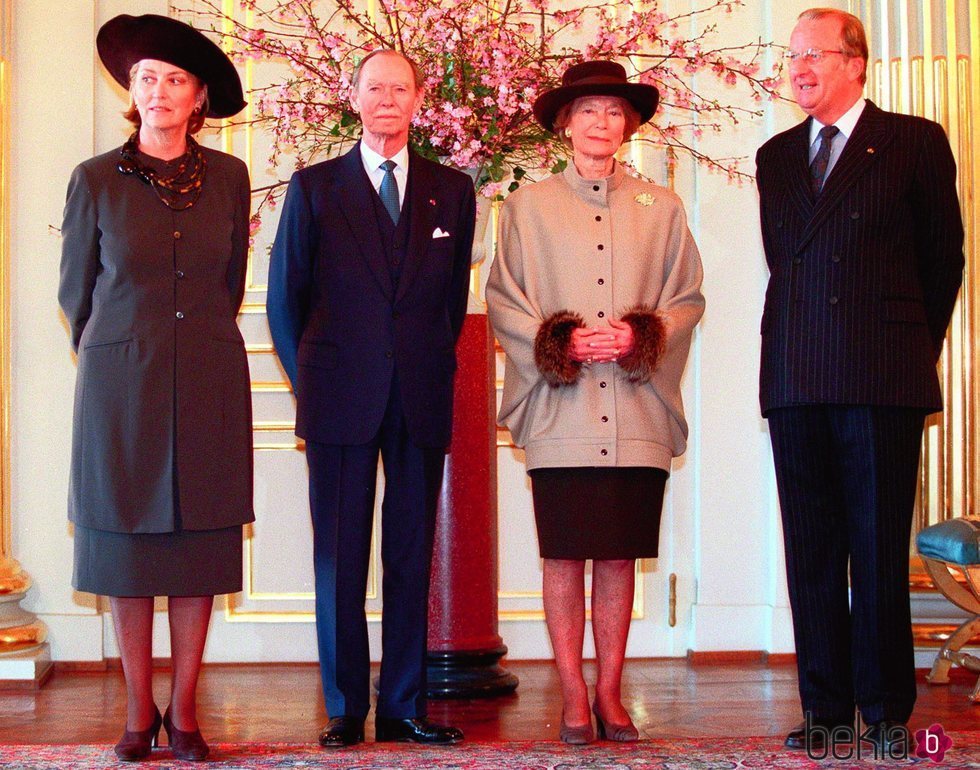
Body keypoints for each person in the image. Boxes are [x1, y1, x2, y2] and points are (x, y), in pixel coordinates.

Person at [756, 8, 964, 754]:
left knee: (876, 551)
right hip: (796, 374)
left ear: (855, 62)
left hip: (881, 374)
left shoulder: (912, 140)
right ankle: (824, 712)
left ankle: (884, 716)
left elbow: (945, 259)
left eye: (814, 54)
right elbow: (787, 264)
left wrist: (903, 343)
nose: (800, 68)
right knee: (810, 553)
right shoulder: (775, 156)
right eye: (793, 56)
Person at [486, 60, 704, 744]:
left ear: (630, 125)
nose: (600, 123)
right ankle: (573, 693)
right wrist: (559, 339)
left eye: (613, 112)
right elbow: (503, 298)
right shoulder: (525, 206)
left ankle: (611, 691)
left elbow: (687, 299)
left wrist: (639, 333)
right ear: (563, 124)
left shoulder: (662, 208)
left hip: (637, 411)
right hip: (562, 412)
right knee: (565, 556)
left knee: (615, 557)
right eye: (587, 111)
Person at [267, 49, 475, 748]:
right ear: (354, 98)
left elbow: (449, 307)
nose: (387, 98)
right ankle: (344, 709)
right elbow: (283, 302)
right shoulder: (315, 187)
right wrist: (316, 382)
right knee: (341, 559)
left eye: (400, 88)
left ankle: (403, 706)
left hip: (418, 397)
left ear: (420, 99)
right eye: (374, 87)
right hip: (337, 400)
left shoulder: (452, 190)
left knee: (411, 558)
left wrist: (422, 364)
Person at [58, 14, 252, 763]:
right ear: (131, 92)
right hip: (119, 388)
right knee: (126, 549)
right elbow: (77, 295)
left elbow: (229, 283)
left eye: (176, 79)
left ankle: (186, 713)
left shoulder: (230, 178)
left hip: (207, 377)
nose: (160, 90)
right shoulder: (94, 179)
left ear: (199, 96)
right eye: (147, 79)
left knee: (199, 545)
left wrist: (183, 341)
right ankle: (139, 714)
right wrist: (125, 351)